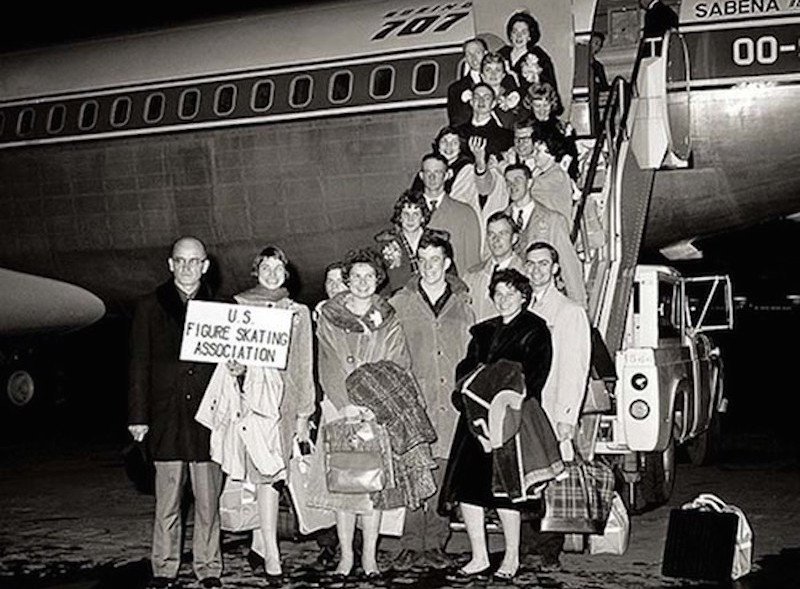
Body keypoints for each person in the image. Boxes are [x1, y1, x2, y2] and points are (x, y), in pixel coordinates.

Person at [195, 245, 315, 585]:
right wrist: (236, 368)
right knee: (263, 474)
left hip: (285, 403)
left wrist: (305, 414)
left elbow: (304, 366)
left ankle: (263, 544)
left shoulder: (298, 312)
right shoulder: (239, 305)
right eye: (267, 267)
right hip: (253, 402)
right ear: (256, 270)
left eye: (279, 268)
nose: (273, 273)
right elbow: (230, 359)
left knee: (276, 474)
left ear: (286, 273)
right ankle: (271, 555)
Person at [439, 268, 557, 582]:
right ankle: (479, 556)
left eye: (510, 293)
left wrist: (503, 394)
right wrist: (469, 398)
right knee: (469, 489)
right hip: (474, 421)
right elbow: (465, 370)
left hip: (511, 419)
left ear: (523, 295)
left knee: (506, 492)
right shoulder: (482, 331)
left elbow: (534, 376)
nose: (503, 299)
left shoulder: (536, 329)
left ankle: (511, 556)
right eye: (498, 294)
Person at [128, 236, 223, 589]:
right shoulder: (150, 306)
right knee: (167, 502)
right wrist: (138, 416)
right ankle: (164, 568)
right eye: (180, 261)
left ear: (205, 265)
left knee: (208, 503)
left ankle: (209, 567)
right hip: (166, 418)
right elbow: (138, 364)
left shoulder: (222, 307)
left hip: (208, 420)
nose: (187, 267)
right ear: (170, 265)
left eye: (193, 261)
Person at [315, 248, 412, 579]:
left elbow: (399, 363)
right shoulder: (329, 317)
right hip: (341, 411)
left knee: (373, 490)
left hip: (375, 413)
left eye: (369, 276)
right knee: (344, 487)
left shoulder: (389, 318)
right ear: (346, 280)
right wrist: (344, 403)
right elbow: (325, 363)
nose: (362, 282)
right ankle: (345, 557)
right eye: (355, 276)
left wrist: (375, 404)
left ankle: (369, 558)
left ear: (378, 280)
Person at [388, 231, 474, 569]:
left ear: (447, 263)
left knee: (440, 474)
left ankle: (436, 542)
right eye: (422, 261)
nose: (429, 267)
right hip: (414, 403)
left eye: (435, 260)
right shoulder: (400, 302)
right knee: (414, 471)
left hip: (451, 404)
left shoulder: (466, 302)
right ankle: (410, 542)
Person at [522, 241, 592, 568]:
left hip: (551, 411)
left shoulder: (569, 312)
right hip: (524, 411)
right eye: (531, 263)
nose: (536, 270)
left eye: (543, 263)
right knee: (528, 479)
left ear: (555, 269)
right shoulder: (521, 309)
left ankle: (547, 549)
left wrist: (567, 416)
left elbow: (575, 368)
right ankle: (526, 546)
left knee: (552, 480)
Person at [504, 163, 588, 307]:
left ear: (529, 183)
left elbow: (569, 265)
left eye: (518, 180)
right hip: (509, 302)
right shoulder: (501, 221)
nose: (512, 185)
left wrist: (579, 305)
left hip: (543, 302)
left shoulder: (553, 221)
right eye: (508, 182)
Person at [418, 152, 482, 273]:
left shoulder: (466, 213)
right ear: (421, 175)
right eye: (428, 172)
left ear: (447, 175)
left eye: (438, 172)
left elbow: (473, 263)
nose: (432, 177)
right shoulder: (409, 213)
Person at [463, 212, 525, 323]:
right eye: (491, 234)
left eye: (503, 233)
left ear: (514, 238)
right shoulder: (471, 275)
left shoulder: (525, 274)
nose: (496, 239)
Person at [374, 189, 432, 294]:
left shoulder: (435, 241)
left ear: (423, 218)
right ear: (399, 217)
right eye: (406, 214)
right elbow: (380, 281)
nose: (410, 219)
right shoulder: (386, 245)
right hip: (400, 300)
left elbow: (450, 275)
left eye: (415, 214)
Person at [498, 12, 558, 106]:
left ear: (530, 36)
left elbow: (548, 90)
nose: (519, 36)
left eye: (524, 32)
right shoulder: (502, 54)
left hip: (529, 108)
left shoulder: (540, 57)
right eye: (515, 31)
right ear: (510, 35)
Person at [525, 82, 579, 181]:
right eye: (537, 106)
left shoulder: (562, 127)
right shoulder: (526, 128)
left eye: (546, 105)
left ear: (552, 104)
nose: (542, 110)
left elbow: (572, 157)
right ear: (531, 105)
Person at [455, 83, 514, 159]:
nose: (481, 101)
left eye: (487, 98)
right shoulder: (458, 132)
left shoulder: (506, 137)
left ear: (493, 104)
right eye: (477, 97)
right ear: (471, 102)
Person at [530, 129, 575, 226]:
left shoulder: (557, 176)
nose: (533, 155)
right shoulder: (543, 173)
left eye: (538, 151)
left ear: (552, 154)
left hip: (555, 233)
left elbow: (526, 192)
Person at [447, 38, 488, 127]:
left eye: (477, 52)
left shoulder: (502, 80)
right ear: (465, 58)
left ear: (486, 54)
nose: (474, 58)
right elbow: (456, 122)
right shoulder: (455, 89)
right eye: (469, 54)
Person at [479, 52, 524, 129]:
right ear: (482, 75)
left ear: (503, 75)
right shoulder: (474, 99)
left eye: (498, 70)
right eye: (488, 70)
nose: (493, 74)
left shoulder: (513, 99)